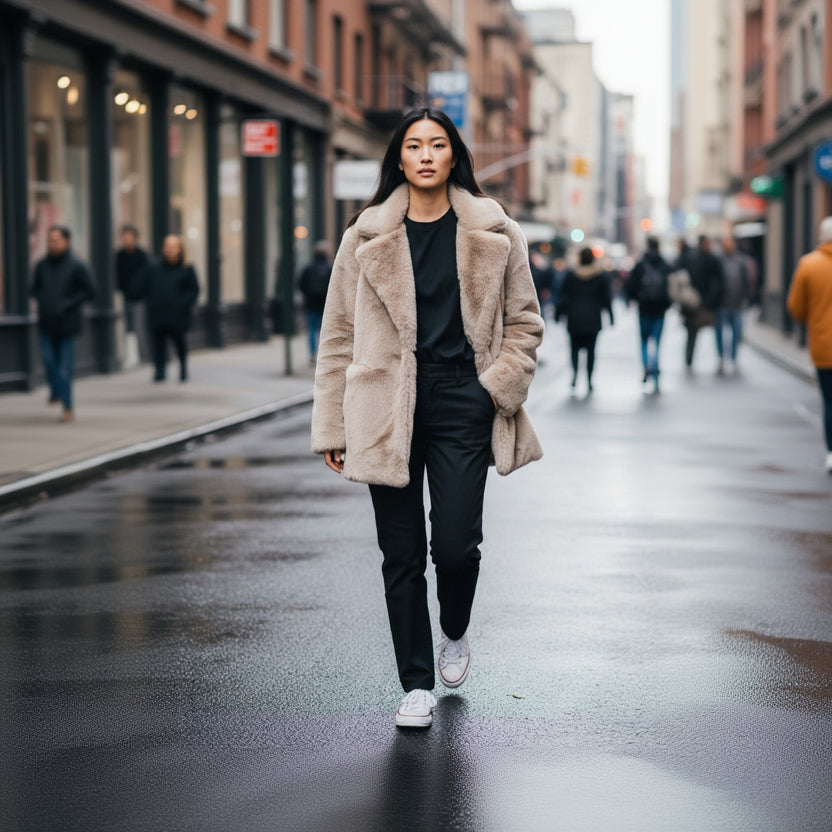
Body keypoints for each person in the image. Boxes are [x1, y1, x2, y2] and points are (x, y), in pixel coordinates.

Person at [311, 107, 544, 729]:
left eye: (437, 144)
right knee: (401, 552)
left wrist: (492, 390)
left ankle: (456, 629)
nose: (424, 155)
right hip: (386, 403)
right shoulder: (364, 235)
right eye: (413, 145)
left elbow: (525, 324)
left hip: (463, 401)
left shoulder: (497, 230)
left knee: (457, 544)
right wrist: (332, 424)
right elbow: (338, 332)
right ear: (399, 159)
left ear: (452, 156)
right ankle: (414, 684)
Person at [29, 226, 96, 423]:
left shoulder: (77, 265)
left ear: (66, 241)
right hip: (46, 323)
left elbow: (91, 291)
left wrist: (68, 304)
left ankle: (68, 408)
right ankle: (56, 391)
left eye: (56, 240)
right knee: (49, 362)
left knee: (65, 367)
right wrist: (44, 301)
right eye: (50, 240)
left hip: (67, 324)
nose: (52, 244)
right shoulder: (41, 265)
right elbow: (34, 289)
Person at [787, 216, 832, 475]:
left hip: (824, 346)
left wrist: (811, 321)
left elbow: (795, 306)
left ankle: (831, 452)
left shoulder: (809, 264)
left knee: (829, 401)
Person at [133, 234, 199, 382]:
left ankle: (183, 368)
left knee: (179, 342)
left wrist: (183, 303)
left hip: (178, 315)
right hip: (158, 314)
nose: (169, 250)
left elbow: (194, 290)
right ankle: (159, 371)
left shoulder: (187, 268)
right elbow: (142, 286)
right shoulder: (153, 267)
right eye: (167, 246)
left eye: (173, 247)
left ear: (180, 249)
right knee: (158, 345)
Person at [555, 246, 614, 392]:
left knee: (574, 349)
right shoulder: (600, 276)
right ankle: (589, 379)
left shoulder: (571, 275)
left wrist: (558, 313)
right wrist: (611, 316)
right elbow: (606, 298)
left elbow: (563, 296)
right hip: (593, 319)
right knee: (591, 351)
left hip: (574, 318)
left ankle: (575, 374)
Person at [626, 236, 672, 390]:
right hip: (660, 310)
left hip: (644, 309)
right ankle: (655, 367)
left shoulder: (641, 264)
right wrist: (667, 303)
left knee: (644, 341)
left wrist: (633, 299)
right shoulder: (664, 264)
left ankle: (647, 366)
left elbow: (630, 285)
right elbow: (671, 287)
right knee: (657, 343)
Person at [683, 235, 724, 370]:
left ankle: (720, 357)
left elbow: (719, 282)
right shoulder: (694, 259)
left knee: (715, 331)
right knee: (692, 332)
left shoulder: (711, 260)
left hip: (707, 303)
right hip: (695, 304)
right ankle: (689, 357)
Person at [716, 236, 750, 374]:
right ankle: (721, 357)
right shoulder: (718, 260)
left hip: (736, 304)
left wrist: (745, 298)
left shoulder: (741, 261)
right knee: (720, 333)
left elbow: (745, 280)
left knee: (736, 332)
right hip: (722, 303)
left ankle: (733, 356)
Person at [298, 240, 333, 363]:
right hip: (326, 304)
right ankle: (323, 354)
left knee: (312, 329)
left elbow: (300, 284)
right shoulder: (330, 267)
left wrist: (308, 295)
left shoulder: (308, 267)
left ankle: (313, 353)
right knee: (324, 330)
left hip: (311, 303)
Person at [115, 225, 149, 335]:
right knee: (127, 328)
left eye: (129, 237)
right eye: (124, 237)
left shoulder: (142, 256)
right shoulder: (118, 256)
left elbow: (146, 277)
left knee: (139, 327)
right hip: (124, 297)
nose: (126, 240)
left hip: (140, 298)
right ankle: (130, 350)